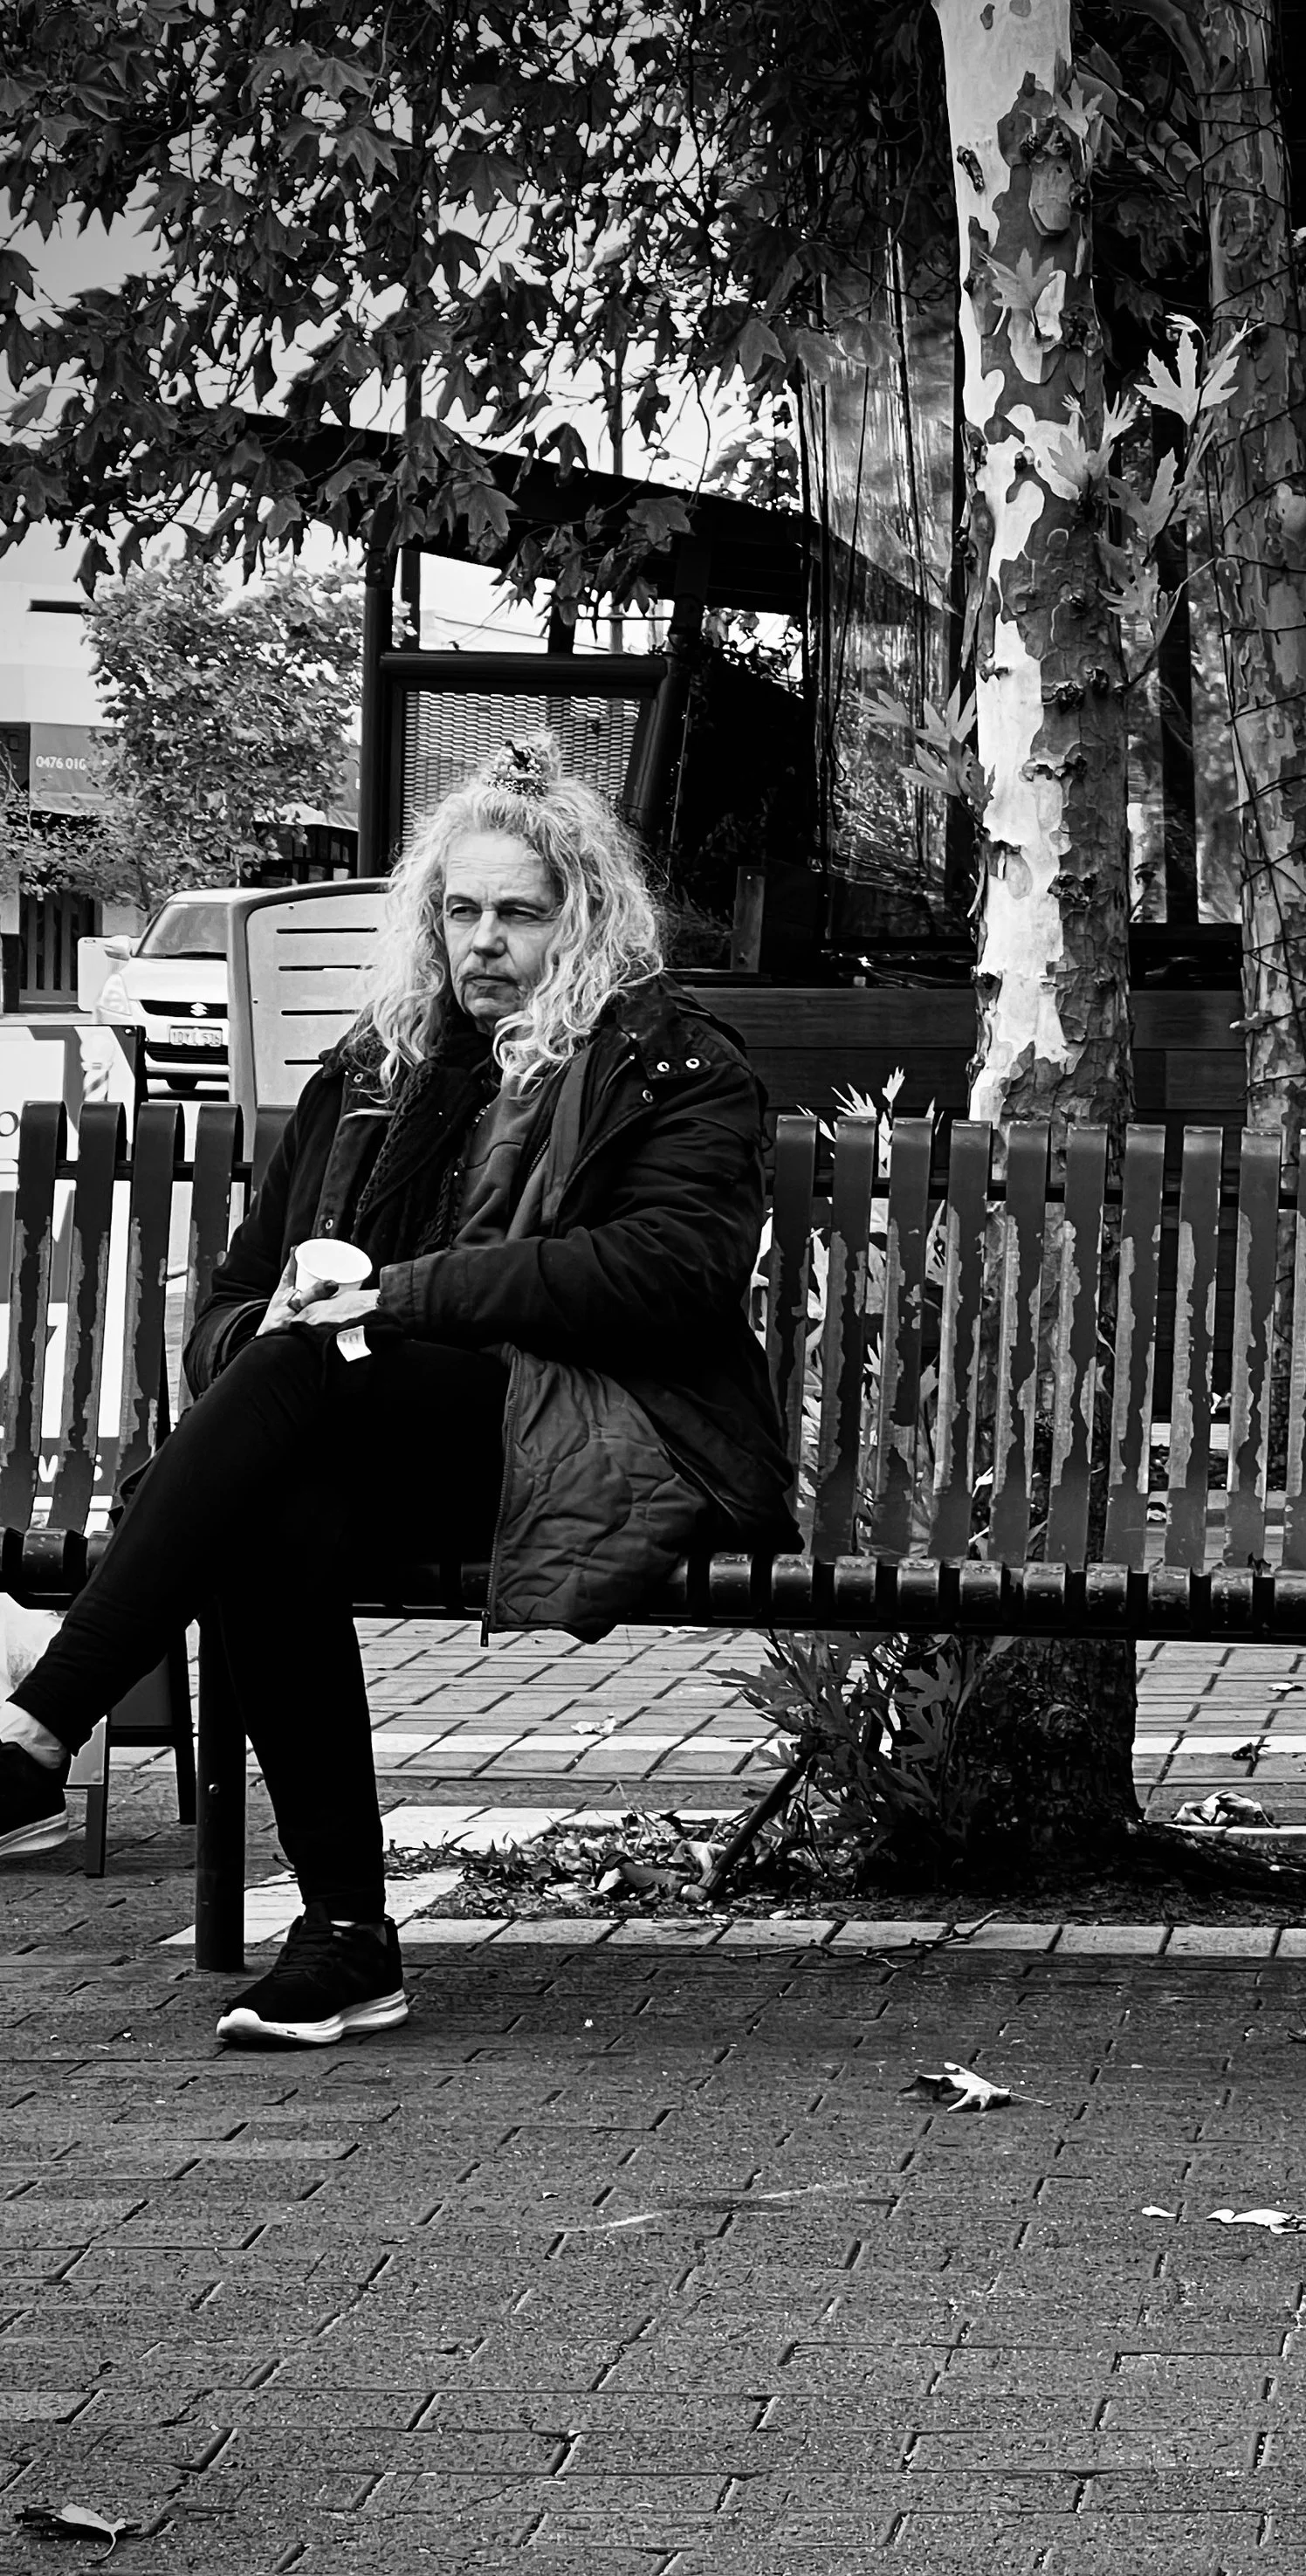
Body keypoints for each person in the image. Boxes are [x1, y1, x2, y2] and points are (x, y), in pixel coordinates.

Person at [0, 739, 799, 2045]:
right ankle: (347, 1943)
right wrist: (288, 1319)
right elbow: (233, 1309)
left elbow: (671, 1275)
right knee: (269, 1494)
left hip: (606, 1436)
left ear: (584, 917)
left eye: (520, 914)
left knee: (299, 1392)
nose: (484, 941)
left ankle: (39, 1728)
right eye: (461, 909)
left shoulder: (668, 1059)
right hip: (383, 1429)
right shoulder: (381, 1066)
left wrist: (391, 1297)